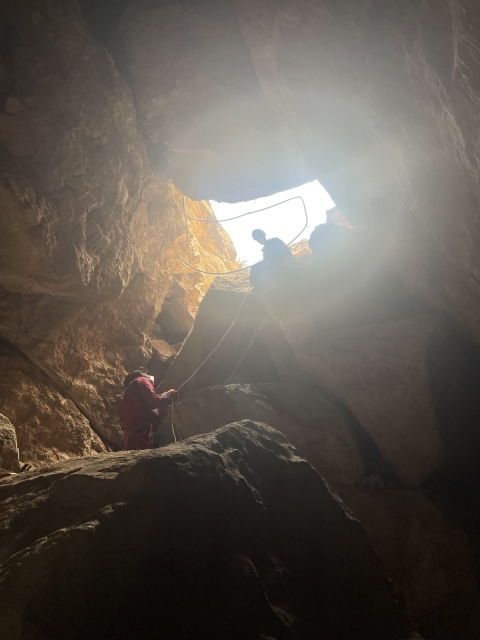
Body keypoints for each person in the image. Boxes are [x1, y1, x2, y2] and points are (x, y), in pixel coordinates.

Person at [120, 370, 178, 451]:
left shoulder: (131, 401)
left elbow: (153, 412)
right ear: (136, 375)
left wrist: (167, 401)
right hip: (142, 435)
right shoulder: (141, 380)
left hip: (132, 436)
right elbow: (153, 401)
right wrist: (167, 394)